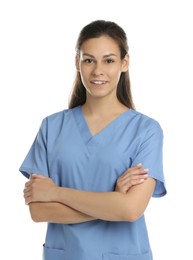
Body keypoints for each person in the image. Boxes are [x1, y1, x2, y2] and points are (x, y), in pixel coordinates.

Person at [20, 20, 166, 260]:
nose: (98, 70)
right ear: (77, 62)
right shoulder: (52, 127)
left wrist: (56, 193)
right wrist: (113, 201)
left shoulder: (146, 130)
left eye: (108, 60)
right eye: (89, 60)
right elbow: (38, 210)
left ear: (124, 63)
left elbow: (130, 210)